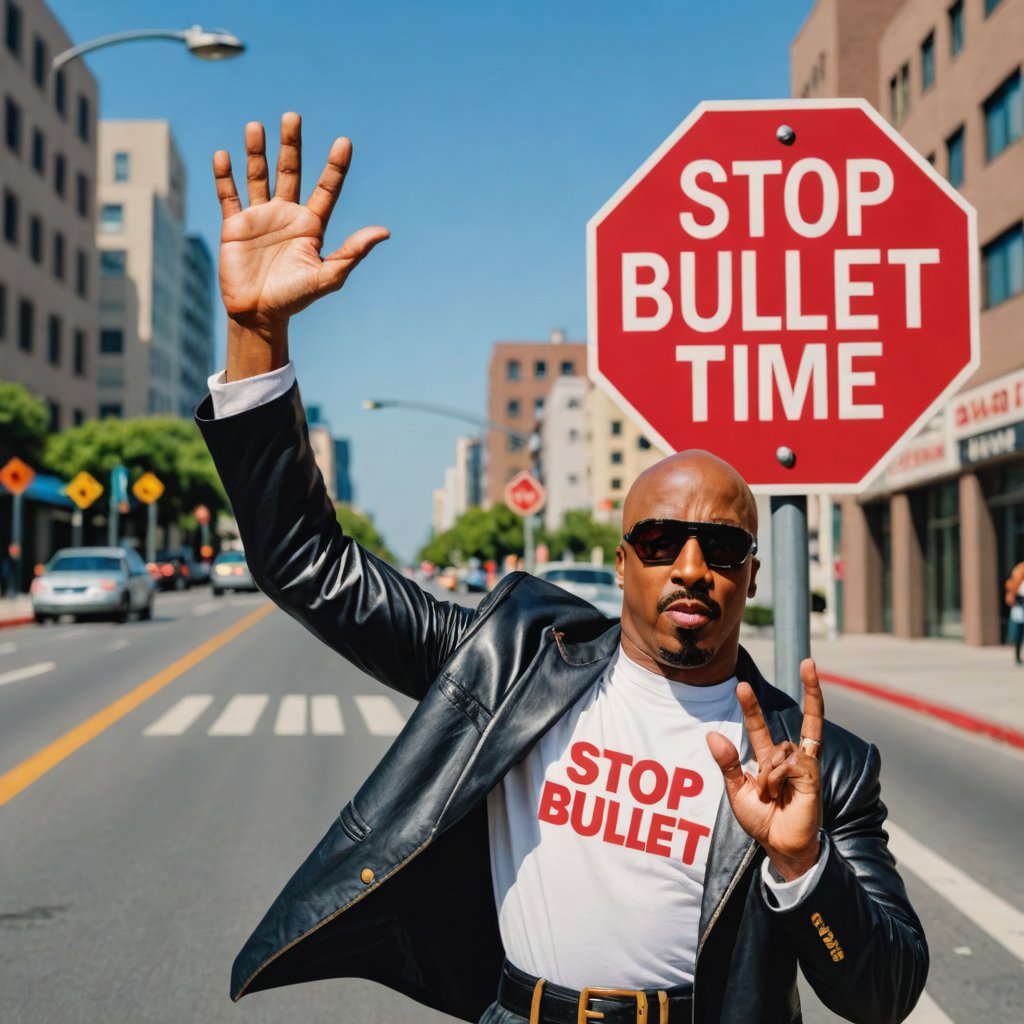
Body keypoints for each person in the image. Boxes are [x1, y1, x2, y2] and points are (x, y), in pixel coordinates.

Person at [197, 114, 927, 1024]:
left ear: (753, 576)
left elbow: (887, 993)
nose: (691, 567)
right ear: (622, 565)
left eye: (723, 550)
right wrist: (257, 336)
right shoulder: (509, 667)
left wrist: (801, 864)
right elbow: (308, 564)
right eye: (661, 543)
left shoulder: (824, 768)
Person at [1005, 561, 1024, 665]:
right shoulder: (1017, 578)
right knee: (1018, 633)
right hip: (1020, 609)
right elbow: (1011, 594)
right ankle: (1017, 656)